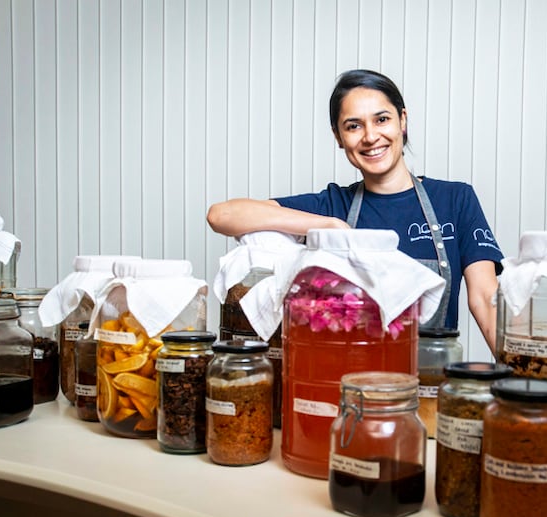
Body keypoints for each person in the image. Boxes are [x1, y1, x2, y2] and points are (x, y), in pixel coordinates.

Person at [207, 69, 503, 351]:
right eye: (353, 126)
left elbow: (484, 298)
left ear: (402, 121)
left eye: (382, 119)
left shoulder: (455, 199)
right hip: (346, 382)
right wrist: (330, 226)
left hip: (429, 384)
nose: (370, 136)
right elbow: (222, 216)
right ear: (338, 137)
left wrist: (525, 390)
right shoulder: (334, 205)